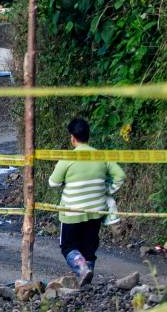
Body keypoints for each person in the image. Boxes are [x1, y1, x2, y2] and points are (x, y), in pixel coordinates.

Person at [48, 118, 125, 286]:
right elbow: (120, 176)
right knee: (89, 248)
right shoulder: (101, 156)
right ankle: (86, 281)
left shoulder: (68, 158)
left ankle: (82, 270)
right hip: (96, 211)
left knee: (68, 246)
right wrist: (105, 190)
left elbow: (53, 182)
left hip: (71, 213)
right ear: (88, 136)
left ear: (72, 138)